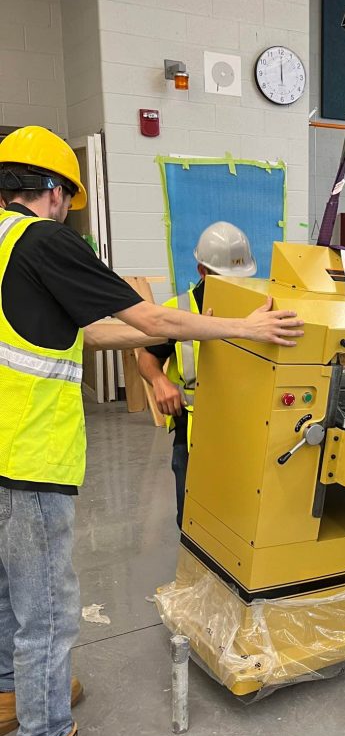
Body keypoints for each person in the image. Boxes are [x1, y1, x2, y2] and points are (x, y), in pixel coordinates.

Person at [0, 125, 303, 736]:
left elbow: (89, 332)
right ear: (54, 193)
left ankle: (9, 696)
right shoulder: (45, 242)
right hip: (29, 457)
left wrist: (161, 339)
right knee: (45, 615)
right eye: (65, 201)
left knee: (5, 596)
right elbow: (148, 316)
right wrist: (247, 329)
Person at [137, 222, 256, 529]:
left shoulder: (256, 310)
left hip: (244, 431)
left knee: (240, 517)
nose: (236, 285)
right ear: (202, 271)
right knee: (191, 517)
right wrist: (160, 381)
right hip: (192, 433)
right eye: (225, 277)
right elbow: (147, 357)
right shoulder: (177, 311)